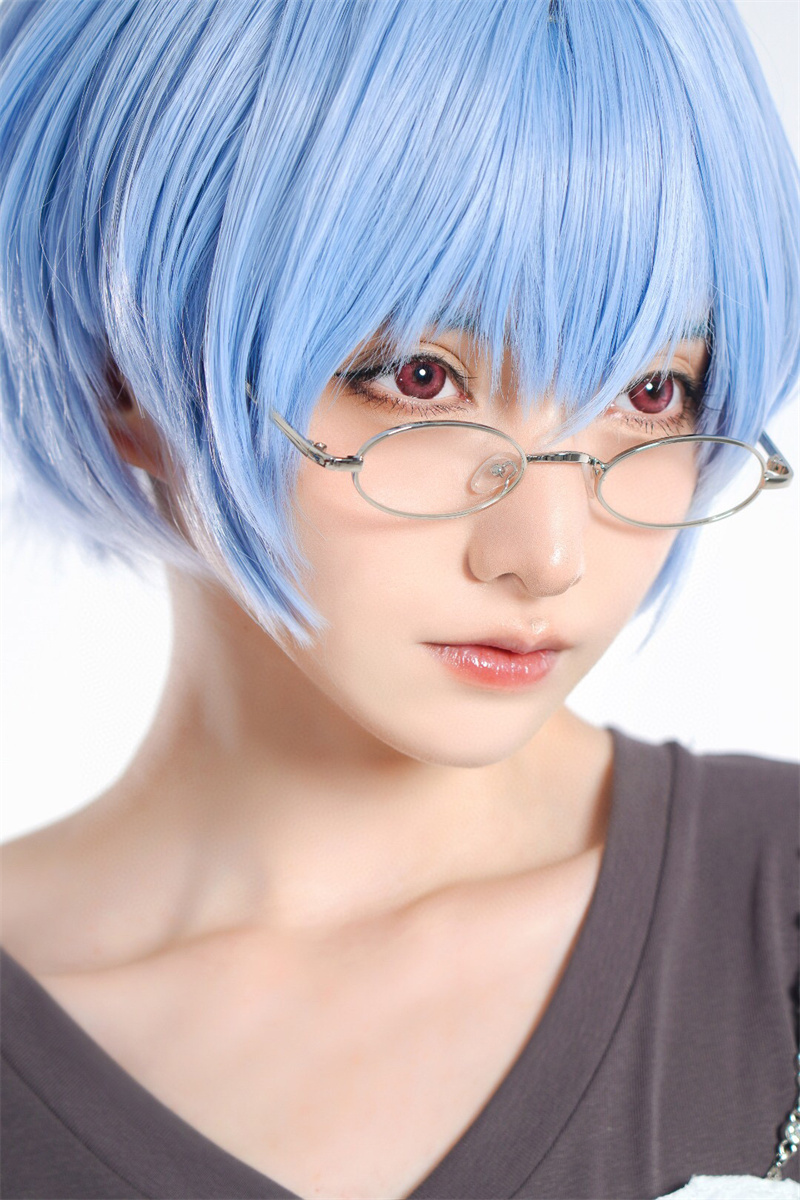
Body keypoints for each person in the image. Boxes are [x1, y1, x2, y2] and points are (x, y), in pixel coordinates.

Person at [1, 1, 798, 1197]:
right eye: (421, 379)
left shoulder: (774, 929)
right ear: (131, 373)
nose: (547, 553)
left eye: (648, 393)